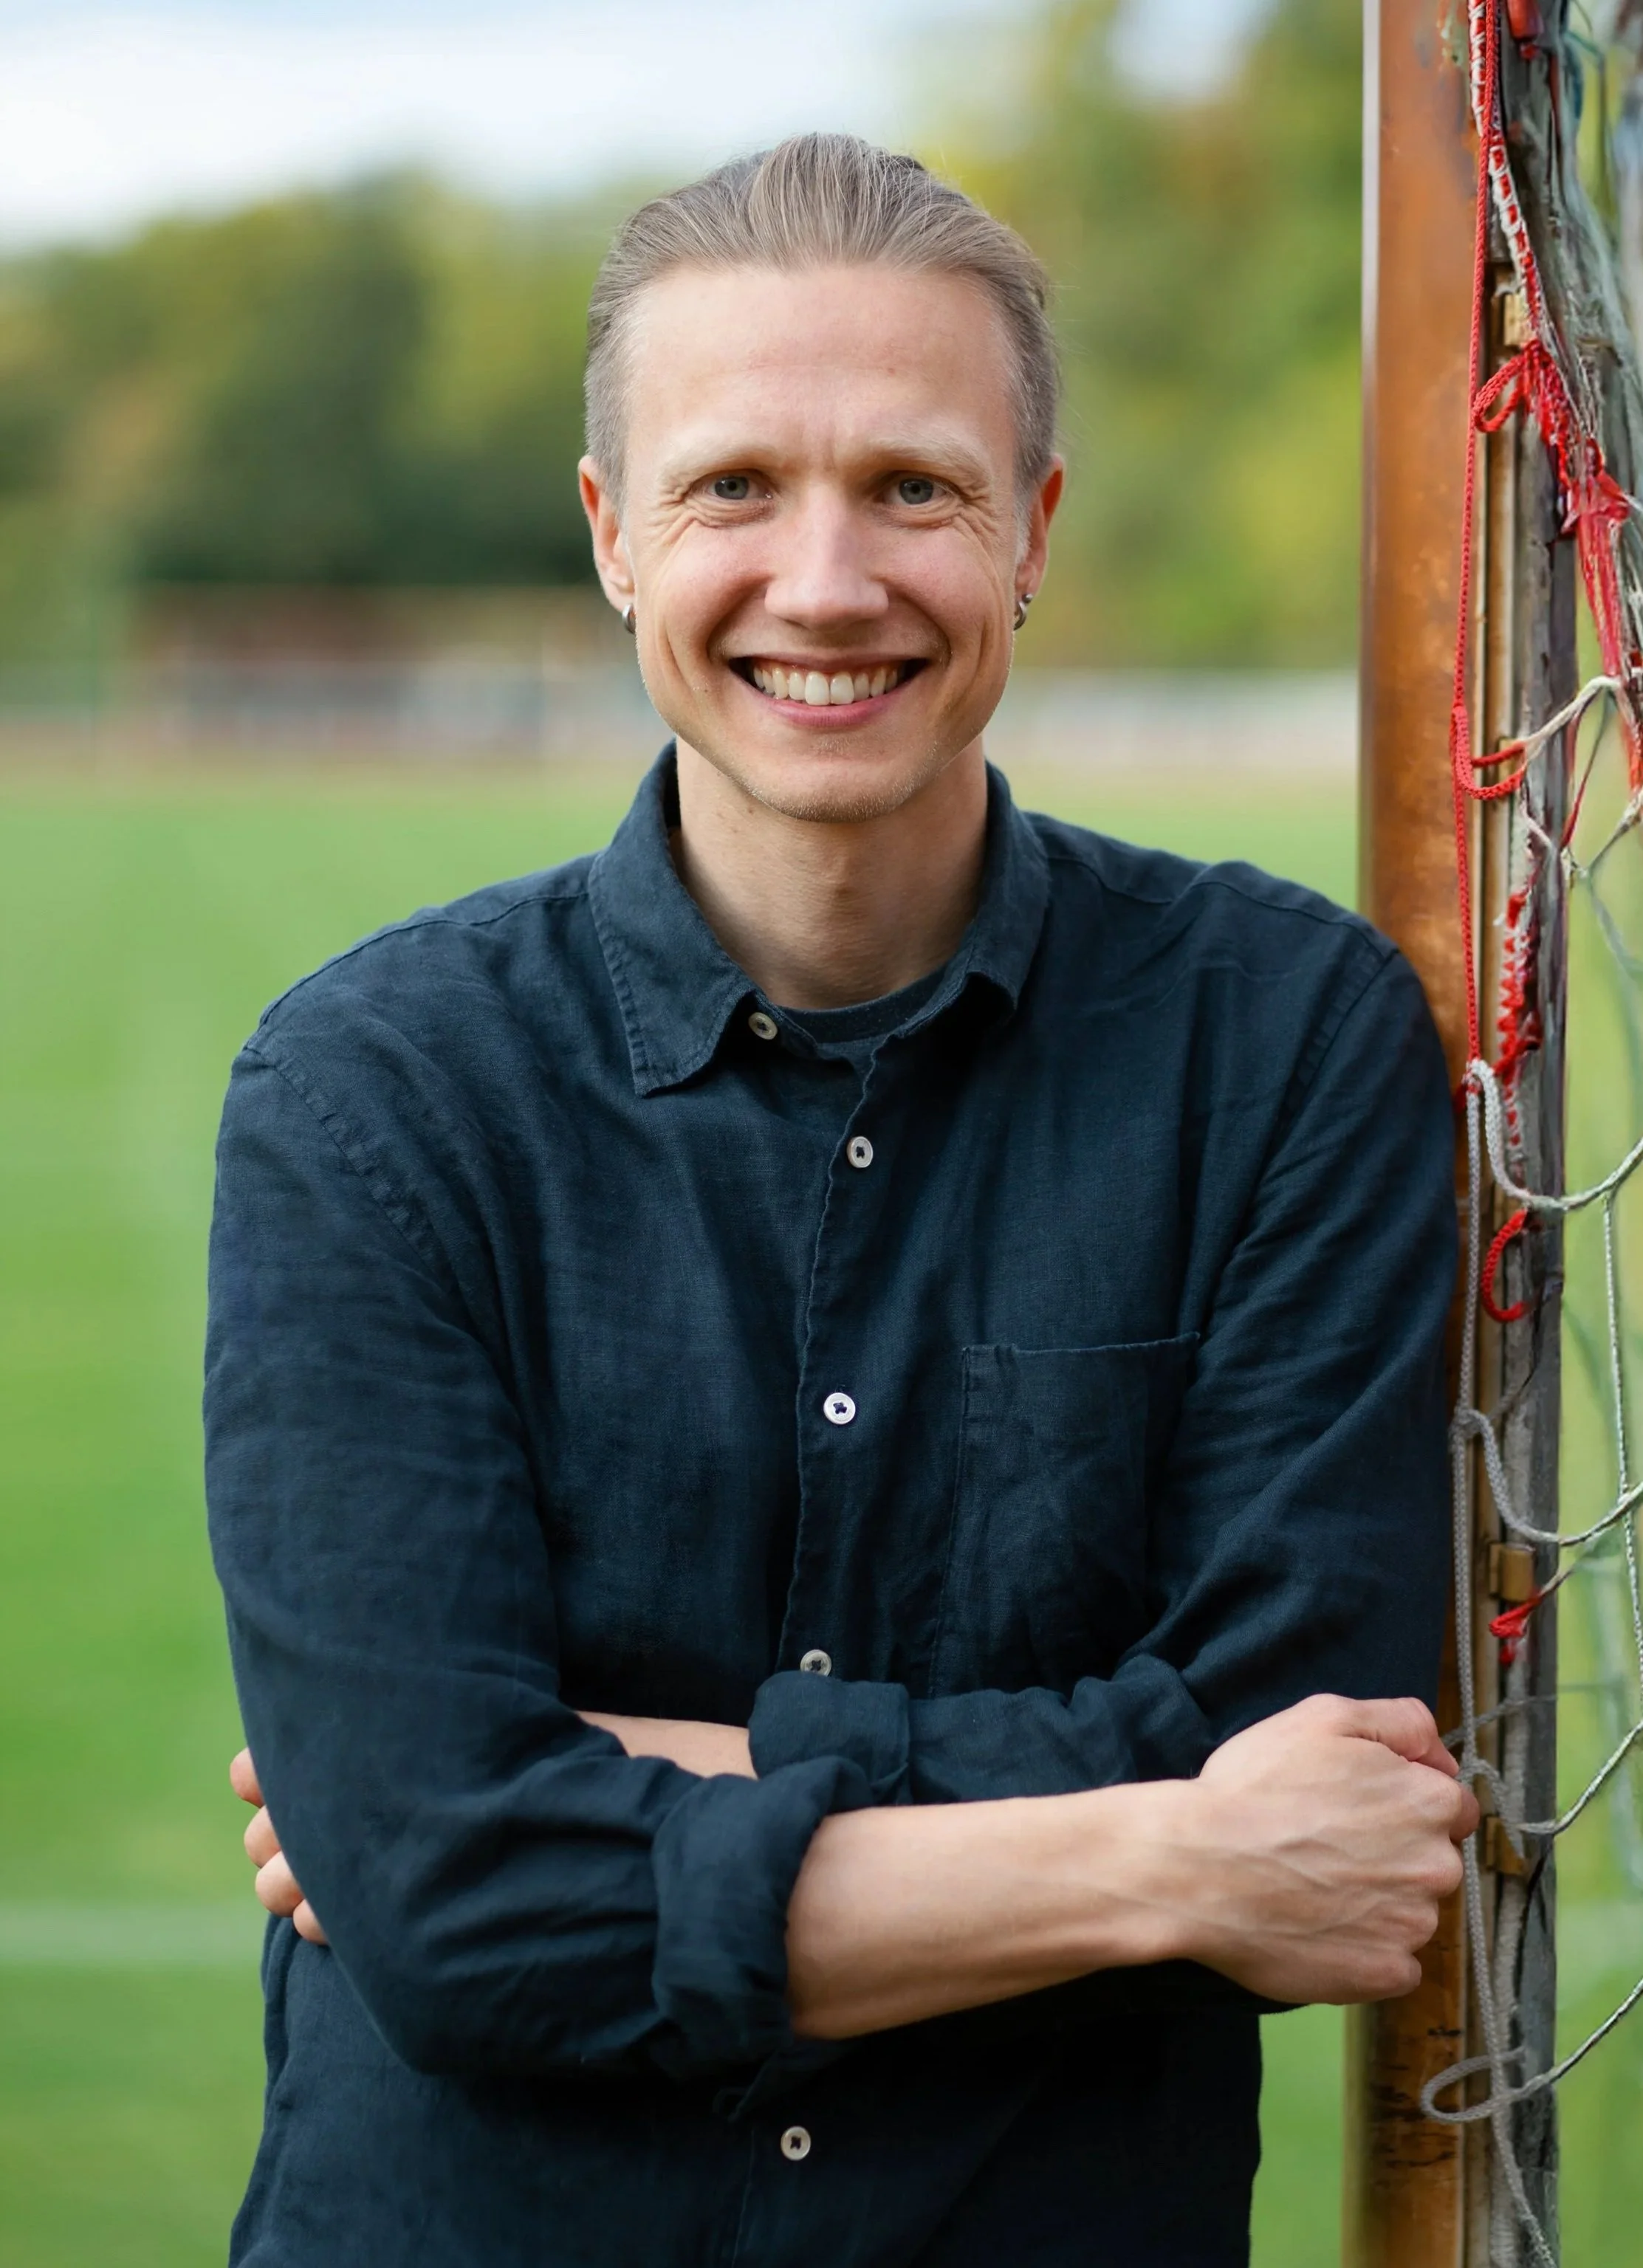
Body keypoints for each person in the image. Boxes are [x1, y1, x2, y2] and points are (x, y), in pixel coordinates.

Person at [206, 134, 1475, 2267]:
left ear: (1037, 531)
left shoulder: (1285, 1042)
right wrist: (1167, 1856)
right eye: (733, 489)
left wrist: (621, 1778)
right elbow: (449, 1913)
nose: (824, 582)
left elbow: (1323, 1772)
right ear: (612, 535)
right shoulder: (371, 1094)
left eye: (912, 485)